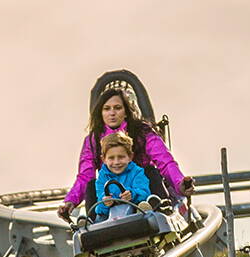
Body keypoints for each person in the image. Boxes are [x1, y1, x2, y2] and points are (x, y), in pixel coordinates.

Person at [58, 85, 191, 221]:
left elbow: (165, 161)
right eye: (107, 109)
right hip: (111, 194)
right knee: (91, 185)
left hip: (142, 189)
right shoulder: (93, 140)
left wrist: (180, 183)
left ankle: (162, 211)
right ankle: (92, 224)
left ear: (126, 111)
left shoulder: (143, 132)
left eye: (117, 108)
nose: (112, 113)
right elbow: (85, 176)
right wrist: (70, 201)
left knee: (151, 172)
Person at [89, 132, 151, 221]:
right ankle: (87, 226)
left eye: (121, 157)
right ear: (104, 160)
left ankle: (145, 216)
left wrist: (132, 194)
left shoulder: (137, 172)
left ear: (130, 157)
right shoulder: (102, 178)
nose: (116, 162)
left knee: (142, 206)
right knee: (100, 215)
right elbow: (99, 207)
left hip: (133, 212)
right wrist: (105, 203)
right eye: (111, 158)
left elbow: (145, 193)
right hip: (110, 216)